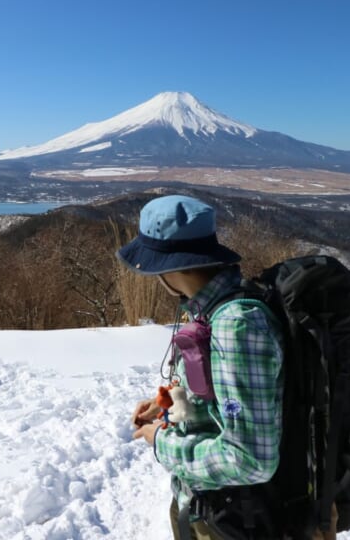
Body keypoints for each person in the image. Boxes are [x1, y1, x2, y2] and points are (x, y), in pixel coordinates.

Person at [118, 195, 285, 540]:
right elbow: (215, 392)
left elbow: (251, 459)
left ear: (172, 266)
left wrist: (160, 442)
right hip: (206, 503)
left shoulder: (235, 325)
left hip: (236, 517)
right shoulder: (209, 310)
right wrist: (165, 402)